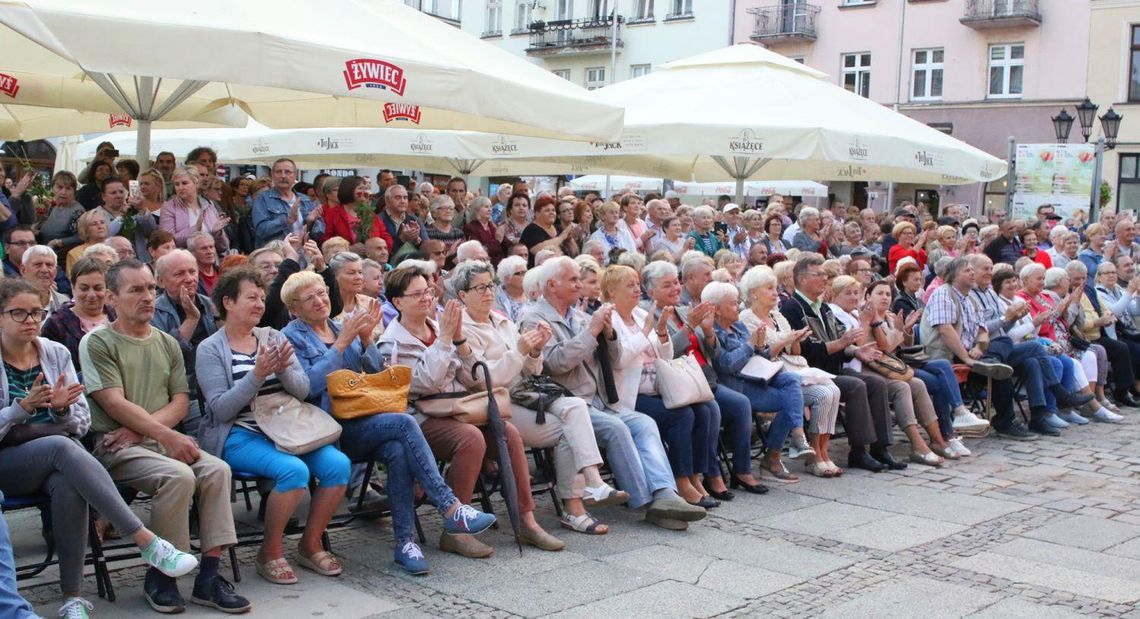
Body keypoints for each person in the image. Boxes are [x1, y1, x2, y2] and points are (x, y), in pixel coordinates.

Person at [0, 278, 199, 619]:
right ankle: (145, 540)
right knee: (62, 448)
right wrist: (23, 409)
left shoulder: (55, 352)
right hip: (9, 463)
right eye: (19, 313)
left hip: (54, 458)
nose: (30, 320)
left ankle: (72, 598)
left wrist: (60, 409)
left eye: (36, 312)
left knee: (68, 481)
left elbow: (80, 422)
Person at [280, 271, 496, 574]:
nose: (320, 300)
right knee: (403, 424)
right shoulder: (291, 336)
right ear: (294, 309)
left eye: (321, 292)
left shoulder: (340, 327)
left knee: (398, 449)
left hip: (363, 418)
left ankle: (406, 543)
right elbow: (305, 387)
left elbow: (376, 374)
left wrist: (366, 338)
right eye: (309, 298)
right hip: (326, 429)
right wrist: (340, 345)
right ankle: (450, 506)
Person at [79, 260, 250, 614]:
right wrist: (158, 433)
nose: (147, 297)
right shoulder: (97, 342)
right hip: (115, 444)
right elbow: (112, 402)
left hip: (154, 439)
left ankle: (209, 577)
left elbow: (181, 402)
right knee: (179, 475)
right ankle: (161, 576)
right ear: (112, 297)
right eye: (136, 290)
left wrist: (149, 431)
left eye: (150, 289)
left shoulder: (168, 343)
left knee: (217, 471)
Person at [378, 266, 562, 556]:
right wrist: (445, 341)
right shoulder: (392, 342)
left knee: (508, 432)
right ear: (397, 302)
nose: (426, 298)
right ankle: (456, 528)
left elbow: (473, 377)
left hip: (457, 407)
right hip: (421, 417)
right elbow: (425, 383)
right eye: (416, 294)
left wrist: (459, 341)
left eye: (428, 291)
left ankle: (525, 518)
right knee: (470, 438)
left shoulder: (440, 326)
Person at [518, 257, 707, 530]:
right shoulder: (535, 318)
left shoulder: (581, 316)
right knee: (617, 428)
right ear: (551, 285)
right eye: (573, 279)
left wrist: (609, 336)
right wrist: (594, 330)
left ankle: (665, 492)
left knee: (644, 423)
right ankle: (649, 504)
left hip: (602, 399)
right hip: (567, 403)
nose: (579, 284)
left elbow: (614, 358)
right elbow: (554, 364)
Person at [196, 268, 350, 585]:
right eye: (251, 297)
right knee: (293, 472)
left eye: (261, 298)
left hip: (285, 426)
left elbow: (303, 390)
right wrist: (257, 374)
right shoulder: (210, 348)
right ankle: (270, 551)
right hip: (239, 433)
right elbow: (220, 410)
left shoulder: (273, 336)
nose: (259, 304)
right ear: (228, 302)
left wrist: (282, 371)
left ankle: (310, 543)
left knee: (338, 464)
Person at [455, 261, 626, 534]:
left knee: (573, 417)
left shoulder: (502, 321)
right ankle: (579, 501)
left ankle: (584, 496)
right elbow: (482, 379)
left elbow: (533, 371)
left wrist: (535, 352)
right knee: (574, 418)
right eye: (480, 288)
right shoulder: (462, 329)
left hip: (525, 396)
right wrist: (520, 352)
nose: (488, 292)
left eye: (490, 285)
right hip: (494, 404)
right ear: (463, 295)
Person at [601, 265, 723, 505]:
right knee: (681, 415)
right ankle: (680, 480)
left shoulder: (638, 314)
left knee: (703, 409)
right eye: (630, 285)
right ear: (612, 291)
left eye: (637, 283)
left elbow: (664, 355)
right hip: (630, 393)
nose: (637, 289)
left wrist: (662, 335)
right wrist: (648, 331)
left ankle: (695, 476)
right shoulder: (609, 318)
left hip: (657, 384)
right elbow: (619, 359)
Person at [641, 261, 764, 495]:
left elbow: (714, 355)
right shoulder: (649, 315)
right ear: (651, 292)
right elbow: (664, 353)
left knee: (740, 405)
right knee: (711, 409)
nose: (676, 288)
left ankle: (741, 469)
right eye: (667, 285)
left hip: (703, 377)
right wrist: (690, 327)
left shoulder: (686, 309)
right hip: (675, 381)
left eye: (676, 282)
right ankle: (709, 473)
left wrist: (708, 332)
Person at [780, 255, 901, 472]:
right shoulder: (793, 308)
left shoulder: (823, 307)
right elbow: (808, 350)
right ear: (802, 279)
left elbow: (841, 342)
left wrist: (855, 349)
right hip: (811, 373)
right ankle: (859, 451)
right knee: (856, 386)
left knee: (876, 383)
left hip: (832, 370)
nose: (824, 279)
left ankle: (880, 447)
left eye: (825, 275)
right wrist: (843, 343)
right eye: (818, 274)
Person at [738, 266, 844, 477]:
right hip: (769, 377)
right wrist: (786, 340)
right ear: (753, 293)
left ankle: (822, 452)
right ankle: (810, 455)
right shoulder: (747, 319)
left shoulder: (777, 316)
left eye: (775, 287)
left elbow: (795, 351)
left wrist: (796, 340)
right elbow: (757, 357)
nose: (775, 292)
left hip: (793, 368)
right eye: (769, 288)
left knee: (833, 390)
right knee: (821, 395)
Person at [703, 280, 811, 482]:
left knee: (791, 380)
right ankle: (777, 453)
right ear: (717, 310)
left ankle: (793, 438)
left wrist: (761, 346)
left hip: (758, 376)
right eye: (734, 303)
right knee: (791, 400)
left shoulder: (737, 325)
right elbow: (726, 364)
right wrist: (751, 344)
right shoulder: (712, 331)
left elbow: (758, 355)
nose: (739, 306)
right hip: (736, 385)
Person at [828, 276, 941, 466]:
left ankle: (938, 439)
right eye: (848, 293)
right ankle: (915, 444)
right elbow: (863, 346)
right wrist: (870, 321)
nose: (854, 297)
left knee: (919, 383)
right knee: (901, 387)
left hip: (882, 365)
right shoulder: (841, 313)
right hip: (860, 367)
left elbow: (888, 346)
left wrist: (902, 330)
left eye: (856, 292)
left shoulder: (866, 314)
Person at [864, 280, 964, 462]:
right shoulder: (866, 317)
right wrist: (898, 332)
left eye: (888, 294)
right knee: (925, 384)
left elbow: (904, 347)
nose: (885, 297)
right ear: (868, 297)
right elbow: (883, 348)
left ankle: (940, 438)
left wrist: (906, 330)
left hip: (898, 364)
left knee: (941, 367)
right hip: (880, 368)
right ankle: (931, 440)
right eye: (880, 293)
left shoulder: (889, 316)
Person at [41, 258, 114, 374]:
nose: (91, 294)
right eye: (84, 288)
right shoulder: (56, 324)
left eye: (98, 288)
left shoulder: (119, 316)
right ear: (73, 287)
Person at [251, 159, 323, 248]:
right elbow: (261, 231)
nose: (283, 176)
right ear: (272, 175)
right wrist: (287, 221)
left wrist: (311, 222)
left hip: (302, 255)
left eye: (288, 172)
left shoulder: (305, 199)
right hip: (276, 255)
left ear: (295, 175)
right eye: (278, 172)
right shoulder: (262, 199)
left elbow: (319, 233)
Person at [159, 167, 231, 255]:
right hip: (182, 262)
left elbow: (223, 247)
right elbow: (167, 241)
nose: (180, 187)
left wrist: (217, 233)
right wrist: (195, 229)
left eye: (184, 183)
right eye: (177, 184)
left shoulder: (208, 206)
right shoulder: (169, 207)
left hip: (209, 262)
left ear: (196, 183)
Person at [521, 195, 576, 268]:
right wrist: (562, 237)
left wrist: (570, 240)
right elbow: (539, 250)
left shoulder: (558, 228)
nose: (551, 212)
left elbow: (575, 253)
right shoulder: (531, 230)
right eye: (547, 210)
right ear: (537, 213)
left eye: (553, 210)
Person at [38, 171, 85, 254]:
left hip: (62, 258)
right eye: (59, 187)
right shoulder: (53, 206)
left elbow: (80, 237)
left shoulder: (77, 212)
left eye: (68, 188)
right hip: (45, 252)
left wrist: (58, 242)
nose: (63, 192)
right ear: (52, 188)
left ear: (74, 191)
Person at [378, 184, 427, 261]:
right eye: (398, 197)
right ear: (387, 201)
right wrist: (402, 239)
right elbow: (378, 252)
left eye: (405, 198)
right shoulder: (378, 220)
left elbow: (426, 249)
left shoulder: (415, 220)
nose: (402, 201)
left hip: (413, 266)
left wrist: (417, 241)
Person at [21, 245, 70, 318]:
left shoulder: (65, 303)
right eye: (38, 265)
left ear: (55, 272)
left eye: (49, 265)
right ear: (23, 270)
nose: (44, 270)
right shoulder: (8, 303)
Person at [425, 196, 465, 268]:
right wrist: (449, 254)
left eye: (451, 209)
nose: (448, 211)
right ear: (434, 212)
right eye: (444, 208)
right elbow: (428, 261)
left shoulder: (459, 233)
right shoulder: (427, 232)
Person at [65, 210, 110, 276]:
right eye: (94, 224)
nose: (100, 227)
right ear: (85, 230)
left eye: (102, 222)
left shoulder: (116, 247)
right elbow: (73, 280)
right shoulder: (75, 254)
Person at [463, 197, 505, 265]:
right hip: (485, 264)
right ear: (477, 210)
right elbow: (480, 250)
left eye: (491, 207)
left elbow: (505, 242)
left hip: (501, 262)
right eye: (486, 207)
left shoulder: (492, 225)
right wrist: (497, 241)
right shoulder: (470, 228)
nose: (490, 209)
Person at [493, 256, 529, 322]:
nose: (526, 276)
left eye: (526, 272)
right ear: (507, 279)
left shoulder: (533, 293)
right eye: (521, 273)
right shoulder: (496, 299)